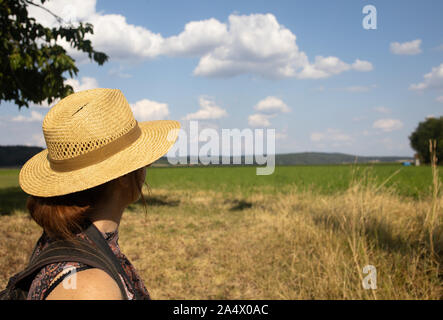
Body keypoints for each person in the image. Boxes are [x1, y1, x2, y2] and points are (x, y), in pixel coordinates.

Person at [18, 88, 180, 300]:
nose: (145, 167)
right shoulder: (92, 289)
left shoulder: (63, 238)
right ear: (122, 175)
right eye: (141, 160)